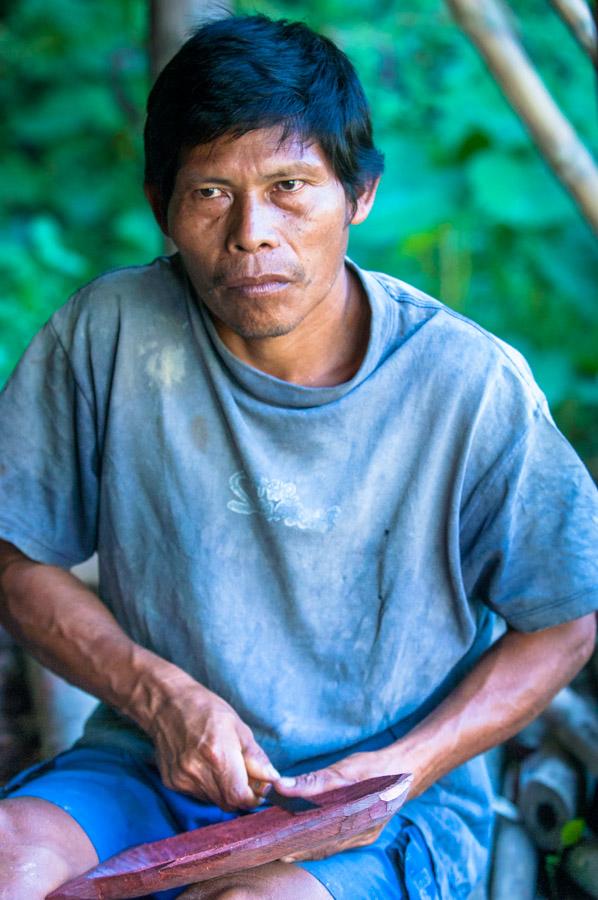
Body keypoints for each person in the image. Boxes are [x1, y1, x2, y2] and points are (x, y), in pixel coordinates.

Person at [0, 14, 596, 900]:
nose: (251, 233)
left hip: (380, 810)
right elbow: (16, 559)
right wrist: (160, 697)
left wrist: (406, 765)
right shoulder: (111, 333)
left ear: (359, 194)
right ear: (161, 204)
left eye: (290, 186)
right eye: (210, 193)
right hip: (147, 767)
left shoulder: (467, 385)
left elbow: (569, 616)